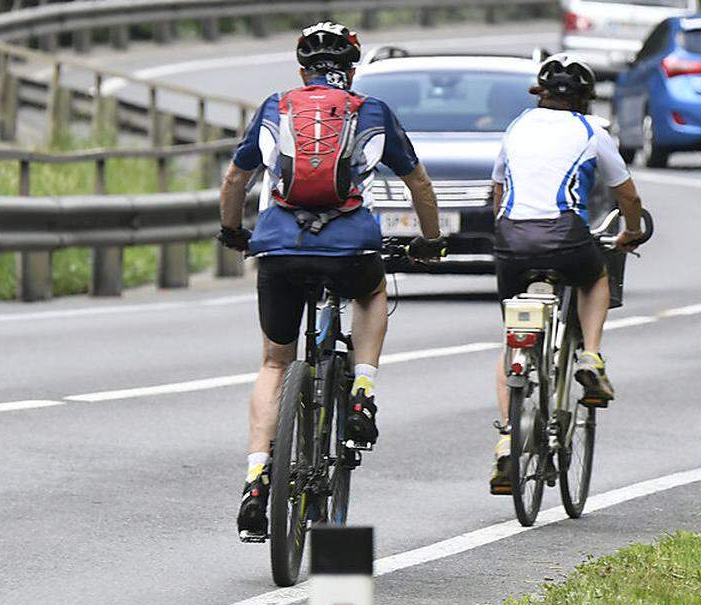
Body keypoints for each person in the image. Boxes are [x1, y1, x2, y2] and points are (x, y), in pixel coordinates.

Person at [217, 22, 444, 541]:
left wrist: (233, 231)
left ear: (302, 70)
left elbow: (235, 178)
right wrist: (430, 242)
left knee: (275, 361)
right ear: (352, 69)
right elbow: (419, 183)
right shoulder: (371, 111)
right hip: (351, 248)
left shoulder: (277, 106)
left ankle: (256, 479)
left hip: (278, 246)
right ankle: (363, 390)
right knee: (372, 292)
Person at [487, 56, 646, 494]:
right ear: (583, 100)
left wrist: (504, 225)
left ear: (541, 95)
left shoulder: (518, 125)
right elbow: (626, 193)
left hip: (511, 240)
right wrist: (631, 231)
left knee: (510, 342)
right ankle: (590, 356)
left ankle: (506, 442)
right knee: (594, 278)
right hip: (564, 235)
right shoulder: (591, 130)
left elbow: (498, 188)